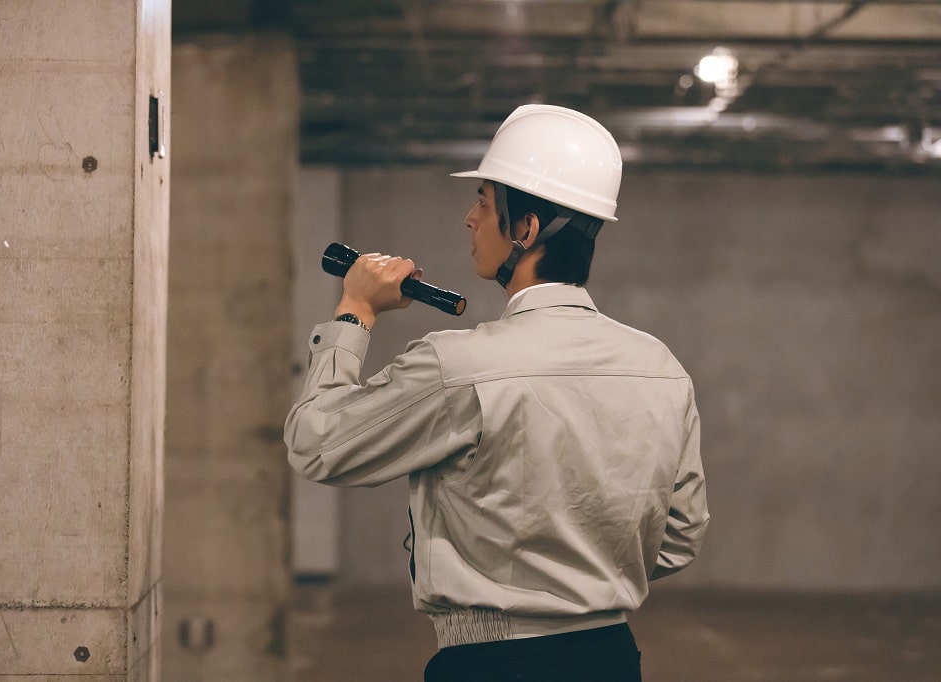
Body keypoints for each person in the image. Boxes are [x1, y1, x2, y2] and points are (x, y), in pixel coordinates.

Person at [284, 104, 709, 682]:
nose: (470, 218)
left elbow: (316, 442)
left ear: (527, 228)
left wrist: (354, 311)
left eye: (484, 202)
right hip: (611, 657)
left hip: (491, 663)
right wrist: (583, 577)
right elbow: (679, 537)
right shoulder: (660, 367)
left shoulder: (461, 366)